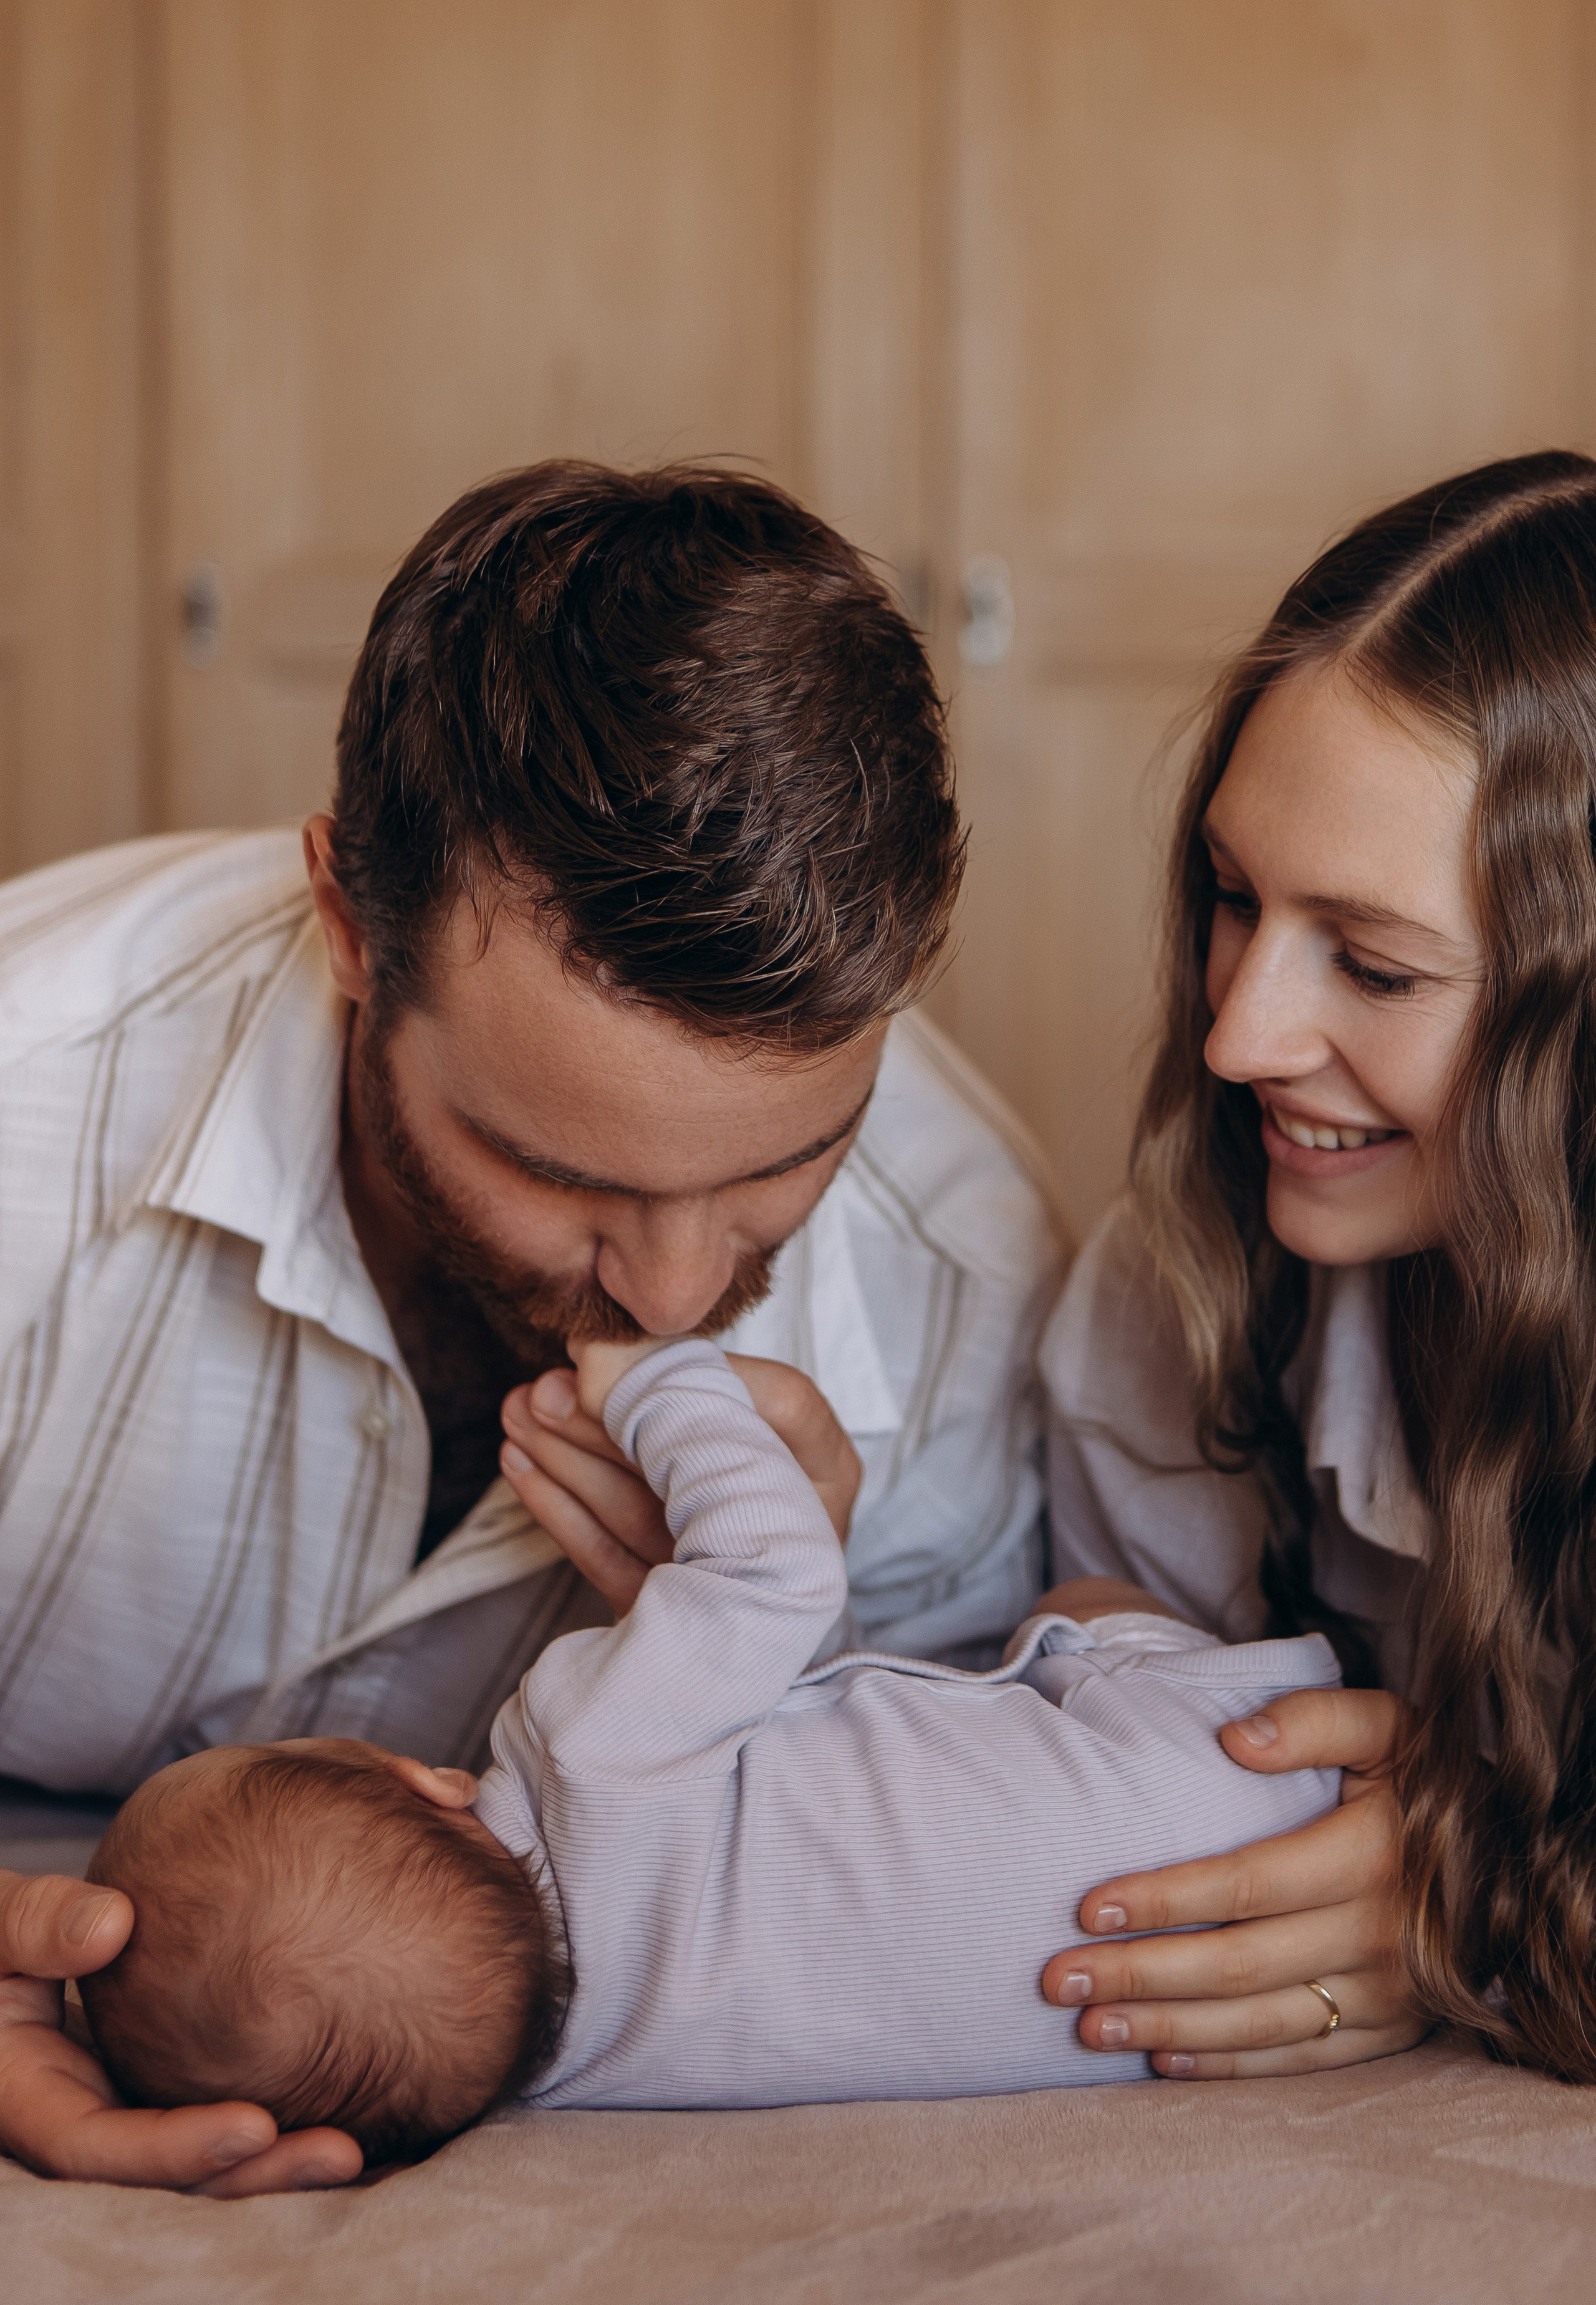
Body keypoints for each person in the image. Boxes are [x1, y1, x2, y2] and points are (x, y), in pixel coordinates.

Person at [0, 462, 1064, 2192]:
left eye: (789, 1164)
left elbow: (949, 1836)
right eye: (554, 1170)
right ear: (352, 925)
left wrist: (807, 1663)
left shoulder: (962, 1296)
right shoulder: (24, 1120)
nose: (668, 1289)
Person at [71, 1335, 1339, 2153]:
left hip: (1196, 2000)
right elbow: (778, 1571)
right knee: (1075, 1606)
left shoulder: (580, 2079)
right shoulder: (580, 1748)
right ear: (422, 1781)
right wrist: (662, 1391)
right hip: (1228, 1768)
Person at [1037, 450, 1596, 2086]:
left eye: (1371, 962)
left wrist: (1475, 1892)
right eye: (1232, 899)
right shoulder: (1182, 1279)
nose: (1238, 1035)